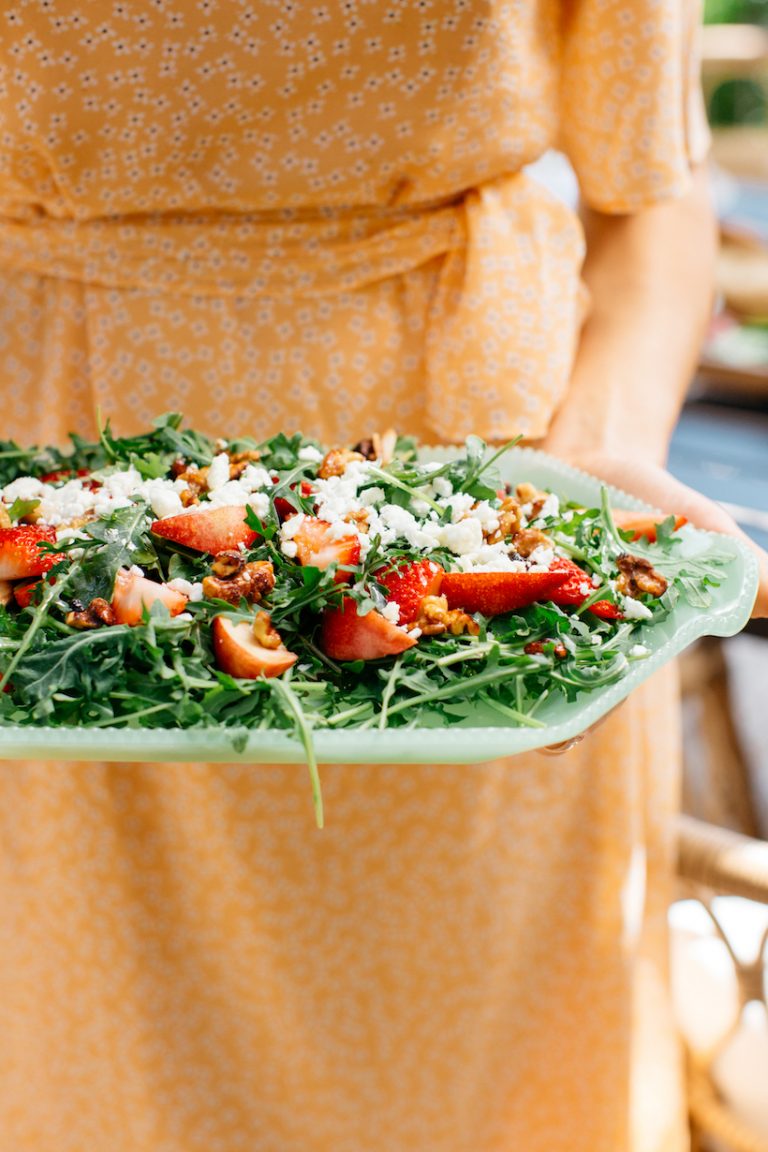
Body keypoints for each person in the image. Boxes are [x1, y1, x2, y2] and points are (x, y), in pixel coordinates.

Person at [0, 3, 766, 1151]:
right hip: (58, 502)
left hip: (478, 489)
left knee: (467, 1049)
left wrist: (587, 466)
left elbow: (653, 195)